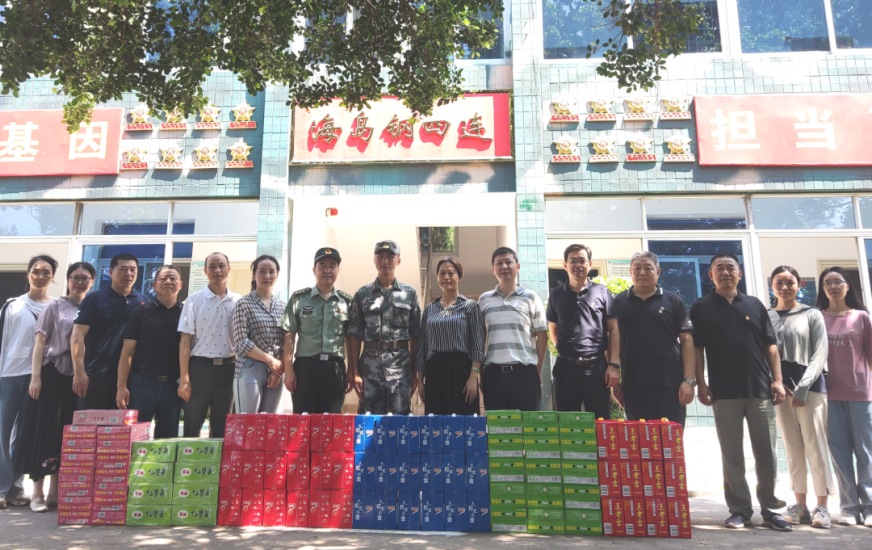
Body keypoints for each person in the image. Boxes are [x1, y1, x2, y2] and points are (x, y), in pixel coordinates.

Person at [690, 253, 790, 531]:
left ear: (739, 274)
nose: (725, 272)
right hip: (723, 392)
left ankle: (771, 509)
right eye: (719, 268)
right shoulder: (700, 307)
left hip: (760, 389)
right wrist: (701, 383)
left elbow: (770, 345)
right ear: (710, 275)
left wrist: (777, 380)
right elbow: (696, 348)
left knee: (767, 453)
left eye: (730, 268)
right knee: (731, 454)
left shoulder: (755, 305)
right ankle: (740, 510)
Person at [15, 262, 95, 513]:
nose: (80, 282)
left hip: (79, 378)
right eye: (75, 277)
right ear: (68, 280)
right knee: (44, 430)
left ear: (92, 282)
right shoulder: (55, 306)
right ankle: (37, 493)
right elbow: (40, 343)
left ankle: (55, 493)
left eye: (85, 278)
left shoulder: (93, 307)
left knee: (66, 434)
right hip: (52, 375)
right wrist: (36, 377)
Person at [767, 265, 834, 529]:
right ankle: (800, 506)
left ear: (799, 285)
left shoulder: (812, 314)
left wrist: (804, 387)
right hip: (780, 390)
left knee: (816, 447)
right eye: (779, 282)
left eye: (790, 282)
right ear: (772, 286)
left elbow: (820, 353)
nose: (784, 287)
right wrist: (776, 383)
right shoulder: (766, 316)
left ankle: (823, 507)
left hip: (811, 389)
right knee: (792, 449)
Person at [612, 251, 695, 426]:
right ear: (630, 272)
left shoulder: (673, 301)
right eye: (637, 268)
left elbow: (687, 341)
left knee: (671, 438)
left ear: (658, 272)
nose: (642, 272)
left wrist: (688, 381)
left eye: (648, 268)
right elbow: (610, 341)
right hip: (633, 385)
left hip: (671, 385)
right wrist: (615, 383)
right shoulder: (617, 302)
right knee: (639, 439)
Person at [0, 255, 56, 510]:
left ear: (52, 277)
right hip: (9, 375)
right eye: (36, 271)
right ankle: (1, 488)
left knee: (23, 434)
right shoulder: (12, 306)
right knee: (3, 432)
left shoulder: (55, 307)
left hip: (39, 378)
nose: (40, 276)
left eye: (46, 272)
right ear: (28, 274)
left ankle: (15, 487)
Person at [817, 266, 872, 527]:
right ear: (822, 288)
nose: (833, 286)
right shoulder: (817, 317)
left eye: (838, 281)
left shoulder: (861, 317)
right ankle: (849, 507)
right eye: (827, 282)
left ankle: (870, 506)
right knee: (839, 453)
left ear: (847, 285)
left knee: (866, 452)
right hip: (828, 395)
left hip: (861, 393)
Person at [347, 240, 421, 415]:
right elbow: (354, 334)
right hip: (370, 370)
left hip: (400, 369)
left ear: (398, 261)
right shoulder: (362, 294)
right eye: (380, 257)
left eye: (390, 257)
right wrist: (354, 371)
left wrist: (414, 371)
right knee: (369, 421)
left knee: (399, 421)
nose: (385, 261)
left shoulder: (409, 294)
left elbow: (416, 335)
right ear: (374, 260)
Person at [546, 244, 620, 418]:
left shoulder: (602, 292)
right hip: (565, 369)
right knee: (567, 422)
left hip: (597, 369)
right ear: (565, 265)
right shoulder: (556, 294)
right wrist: (567, 351)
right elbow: (553, 330)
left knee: (600, 420)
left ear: (590, 264)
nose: (578, 265)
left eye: (582, 261)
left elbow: (614, 329)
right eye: (573, 261)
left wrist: (613, 365)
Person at [280, 247, 353, 414]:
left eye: (332, 266)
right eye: (322, 266)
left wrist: (351, 371)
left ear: (338, 270)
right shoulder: (299, 299)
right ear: (314, 270)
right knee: (303, 420)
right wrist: (289, 371)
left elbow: (350, 339)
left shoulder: (347, 302)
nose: (327, 270)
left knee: (331, 420)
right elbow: (289, 335)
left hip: (334, 368)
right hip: (305, 368)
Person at [72, 253, 148, 410]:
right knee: (92, 422)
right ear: (111, 272)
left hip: (132, 378)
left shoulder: (143, 302)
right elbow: (77, 336)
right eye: (123, 269)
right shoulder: (94, 299)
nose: (128, 273)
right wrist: (79, 372)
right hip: (96, 375)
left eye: (133, 270)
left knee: (124, 424)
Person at [116, 265, 184, 439]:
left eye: (173, 279)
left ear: (180, 284)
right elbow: (128, 352)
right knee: (136, 438)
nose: (168, 282)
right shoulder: (141, 312)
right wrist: (121, 387)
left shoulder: (187, 314)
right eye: (163, 279)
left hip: (173, 386)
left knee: (167, 441)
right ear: (154, 285)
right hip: (142, 384)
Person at [178, 252, 241, 438]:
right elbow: (184, 342)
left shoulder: (239, 301)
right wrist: (185, 379)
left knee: (223, 429)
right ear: (205, 271)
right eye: (212, 266)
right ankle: (189, 457)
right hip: (200, 370)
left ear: (228, 269)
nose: (217, 270)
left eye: (221, 265)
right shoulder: (193, 301)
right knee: (192, 425)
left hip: (229, 370)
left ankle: (219, 458)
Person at [479, 247, 547, 412]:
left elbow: (542, 336)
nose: (504, 266)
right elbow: (480, 337)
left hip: (524, 374)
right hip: (493, 375)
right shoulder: (484, 299)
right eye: (499, 263)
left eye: (508, 262)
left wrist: (536, 371)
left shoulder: (531, 297)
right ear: (493, 270)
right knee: (497, 425)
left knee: (528, 424)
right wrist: (481, 371)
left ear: (517, 267)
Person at [416, 257, 485, 415]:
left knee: (464, 420)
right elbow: (423, 346)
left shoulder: (471, 306)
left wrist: (474, 375)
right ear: (437, 277)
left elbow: (477, 342)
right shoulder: (430, 309)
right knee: (436, 421)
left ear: (459, 276)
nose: (446, 277)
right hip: (435, 372)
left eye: (451, 273)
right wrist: (420, 380)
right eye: (442, 273)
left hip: (462, 371)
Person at [232, 255, 285, 414]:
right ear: (254, 275)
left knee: (267, 423)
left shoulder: (283, 306)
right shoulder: (243, 304)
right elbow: (241, 343)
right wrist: (270, 360)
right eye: (262, 271)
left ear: (277, 275)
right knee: (247, 422)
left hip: (275, 371)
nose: (267, 276)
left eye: (271, 272)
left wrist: (277, 371)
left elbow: (287, 342)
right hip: (250, 367)